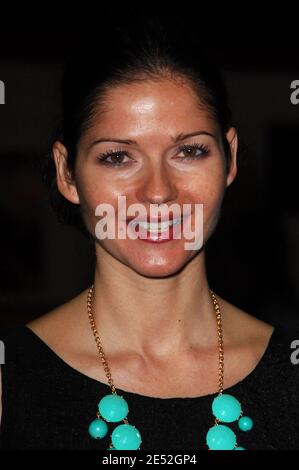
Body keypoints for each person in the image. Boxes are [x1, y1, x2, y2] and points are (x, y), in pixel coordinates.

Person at [0, 18, 298, 451]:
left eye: (190, 151)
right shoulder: (10, 388)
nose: (158, 192)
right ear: (67, 172)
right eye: (118, 157)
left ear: (229, 158)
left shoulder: (289, 379)